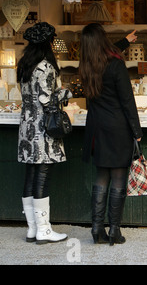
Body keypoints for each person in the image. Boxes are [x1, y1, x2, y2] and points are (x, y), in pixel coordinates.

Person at [79, 23, 143, 246]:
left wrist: (125, 41)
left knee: (101, 177)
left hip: (96, 129)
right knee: (118, 177)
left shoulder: (87, 65)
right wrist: (137, 132)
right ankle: (114, 230)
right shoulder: (115, 65)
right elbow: (127, 101)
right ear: (102, 40)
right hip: (117, 128)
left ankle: (97, 229)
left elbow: (104, 53)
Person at [17, 22, 72, 244]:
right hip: (42, 128)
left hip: (26, 126)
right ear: (48, 43)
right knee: (42, 176)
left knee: (30, 175)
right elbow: (47, 98)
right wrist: (68, 91)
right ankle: (44, 230)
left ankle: (32, 229)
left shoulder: (24, 65)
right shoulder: (46, 67)